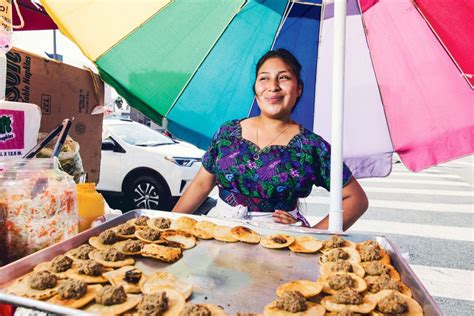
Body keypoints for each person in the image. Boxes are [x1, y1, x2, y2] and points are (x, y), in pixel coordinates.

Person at [172, 49, 368, 230]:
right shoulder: (227, 132)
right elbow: (201, 185)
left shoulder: (312, 146)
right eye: (264, 78)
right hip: (221, 231)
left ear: (299, 88)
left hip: (279, 241)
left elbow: (356, 199)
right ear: (256, 89)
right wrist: (167, 224)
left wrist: (315, 235)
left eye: (283, 78)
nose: (273, 87)